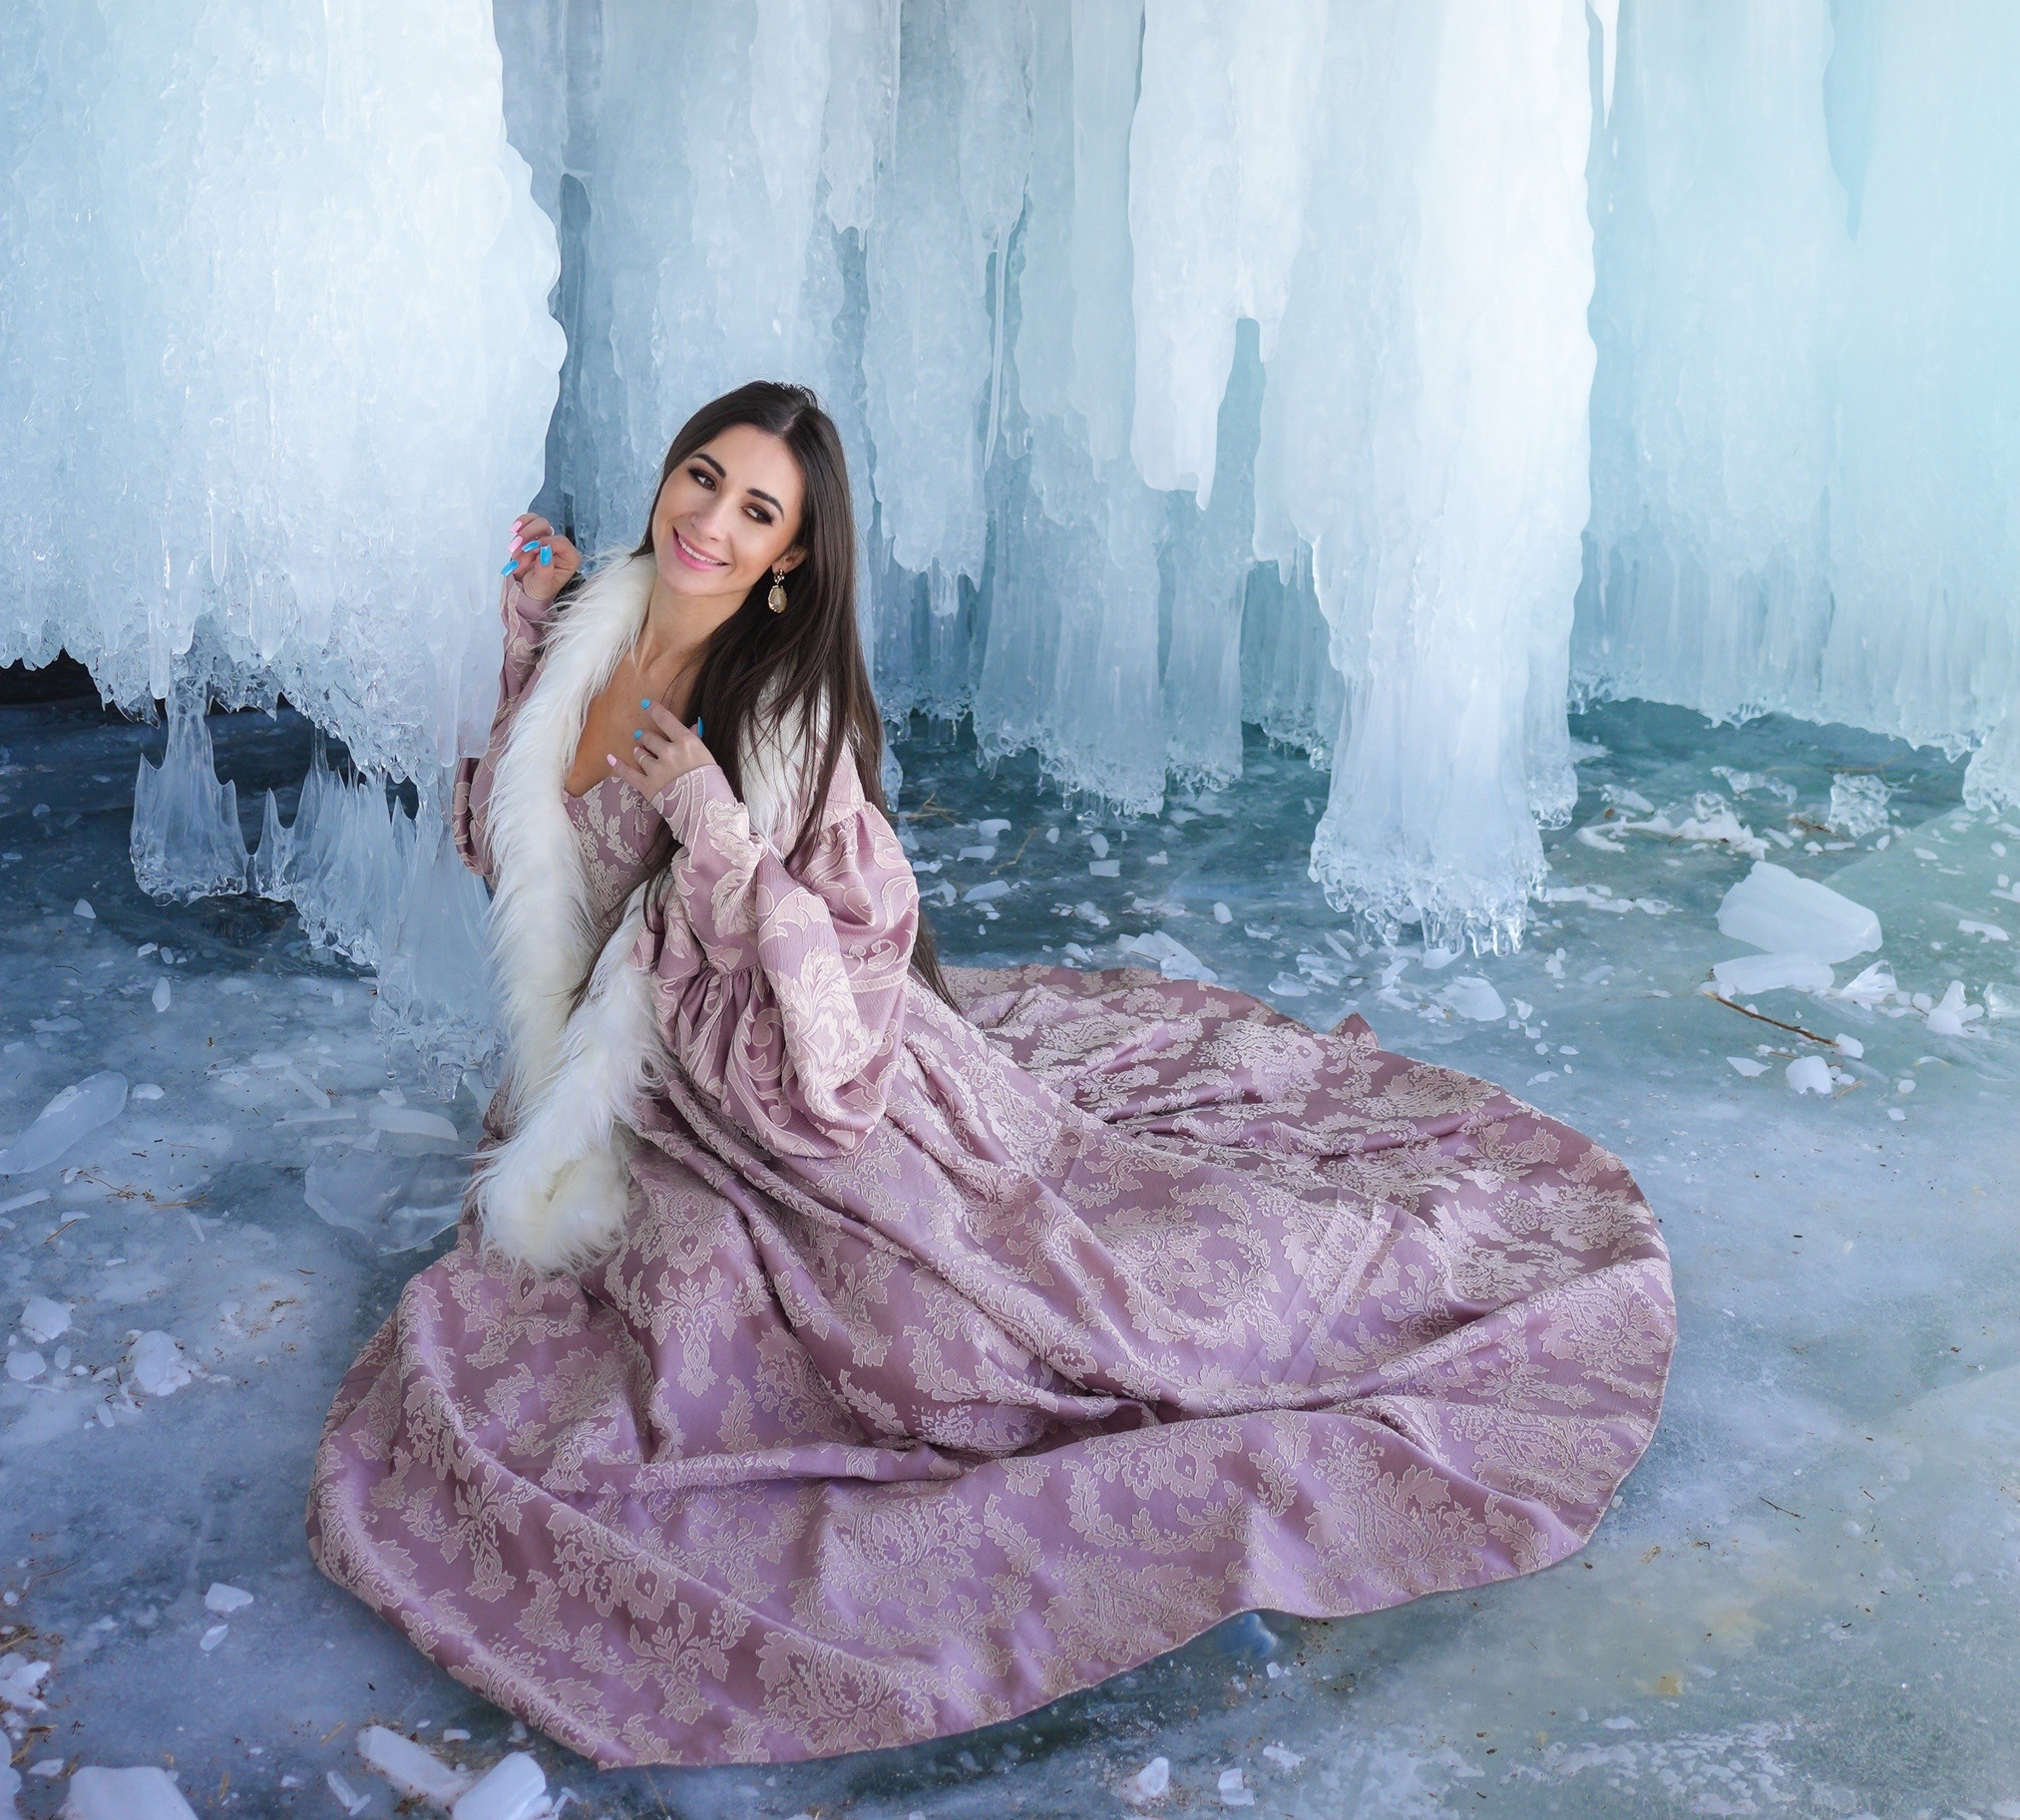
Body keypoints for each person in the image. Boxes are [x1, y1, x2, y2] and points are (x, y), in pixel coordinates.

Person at [310, 382, 1674, 1768]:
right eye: (703, 477)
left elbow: (846, 944)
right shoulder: (584, 637)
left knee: (956, 1336)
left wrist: (712, 830)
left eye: (758, 509)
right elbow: (510, 853)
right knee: (670, 1316)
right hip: (632, 1090)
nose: (712, 520)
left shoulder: (782, 721)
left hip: (787, 1082)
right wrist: (520, 655)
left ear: (792, 557)